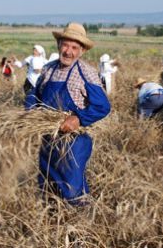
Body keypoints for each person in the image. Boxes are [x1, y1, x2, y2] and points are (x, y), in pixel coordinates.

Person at [25, 22, 110, 205]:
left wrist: (78, 118)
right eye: (65, 45)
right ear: (58, 45)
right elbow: (34, 94)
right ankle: (52, 225)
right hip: (48, 138)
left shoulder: (86, 73)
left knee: (71, 190)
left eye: (74, 47)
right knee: (48, 186)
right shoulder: (49, 69)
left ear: (82, 51)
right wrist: (30, 113)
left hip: (73, 142)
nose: (68, 51)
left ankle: (79, 226)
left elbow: (103, 106)